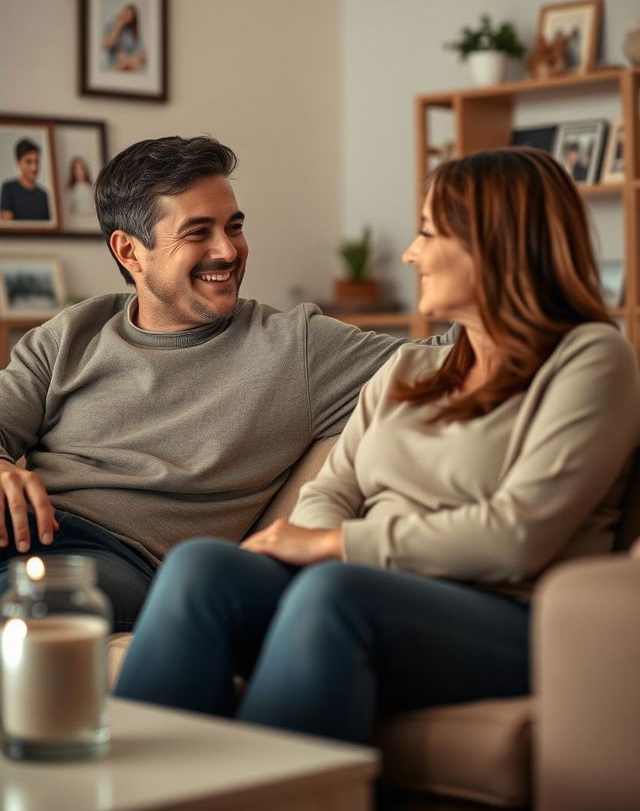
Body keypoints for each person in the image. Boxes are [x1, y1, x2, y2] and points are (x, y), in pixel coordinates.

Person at [115, 146, 640, 747]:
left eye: (426, 232)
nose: (411, 253)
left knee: (335, 592)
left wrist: (335, 545)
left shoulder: (592, 359)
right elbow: (332, 488)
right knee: (202, 566)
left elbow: (516, 536)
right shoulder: (413, 366)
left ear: (495, 242)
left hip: (510, 615)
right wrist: (315, 538)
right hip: (370, 588)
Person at [0, 135, 450, 632]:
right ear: (129, 251)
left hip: (115, 561)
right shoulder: (71, 334)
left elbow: (447, 359)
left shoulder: (297, 347)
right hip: (20, 528)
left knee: (28, 604)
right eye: (198, 232)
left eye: (233, 227)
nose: (227, 250)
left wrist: (501, 262)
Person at [0, 138, 50, 221]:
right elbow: (8, 225)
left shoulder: (44, 195)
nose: (34, 168)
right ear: (18, 163)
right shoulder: (9, 189)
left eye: (36, 162)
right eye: (28, 162)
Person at [102, 3, 147, 71]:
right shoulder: (110, 26)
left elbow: (144, 56)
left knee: (135, 65)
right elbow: (106, 46)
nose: (126, 16)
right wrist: (117, 26)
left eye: (129, 15)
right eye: (125, 12)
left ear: (132, 19)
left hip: (130, 64)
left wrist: (129, 59)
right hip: (115, 65)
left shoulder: (133, 33)